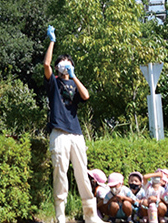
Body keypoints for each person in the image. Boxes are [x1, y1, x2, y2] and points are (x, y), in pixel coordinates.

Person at [44, 24, 104, 223]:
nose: (64, 65)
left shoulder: (74, 83)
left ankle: (90, 215)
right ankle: (60, 215)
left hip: (76, 134)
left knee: (82, 174)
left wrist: (74, 76)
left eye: (67, 62)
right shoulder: (54, 83)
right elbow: (46, 65)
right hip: (59, 133)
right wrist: (52, 41)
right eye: (61, 63)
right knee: (60, 174)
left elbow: (86, 96)